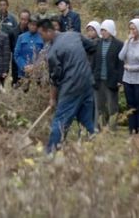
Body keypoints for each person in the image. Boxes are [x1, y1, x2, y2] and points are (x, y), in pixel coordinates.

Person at [39, 19, 97, 153]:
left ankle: (51, 152)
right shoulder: (74, 35)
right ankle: (96, 146)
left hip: (71, 86)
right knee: (86, 119)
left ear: (49, 32)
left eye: (41, 34)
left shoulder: (52, 52)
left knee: (60, 119)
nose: (40, 37)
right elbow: (93, 47)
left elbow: (54, 79)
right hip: (87, 82)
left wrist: (52, 99)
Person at [118, 19, 139, 134]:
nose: (131, 31)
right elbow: (121, 57)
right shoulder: (129, 42)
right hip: (128, 79)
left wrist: (131, 68)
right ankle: (132, 131)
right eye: (130, 28)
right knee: (130, 107)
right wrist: (127, 42)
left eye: (134, 28)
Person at [92, 19, 124, 128]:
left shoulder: (119, 44)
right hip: (98, 79)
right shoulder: (97, 43)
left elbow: (120, 64)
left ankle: (112, 128)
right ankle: (98, 128)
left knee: (112, 107)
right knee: (99, 107)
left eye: (104, 30)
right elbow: (94, 62)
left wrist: (120, 80)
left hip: (111, 80)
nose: (102, 33)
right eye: (101, 30)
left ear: (110, 30)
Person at [14, 17, 45, 83]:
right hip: (23, 72)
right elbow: (17, 54)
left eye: (35, 25)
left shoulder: (42, 37)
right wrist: (24, 66)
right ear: (28, 25)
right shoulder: (21, 37)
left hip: (38, 73)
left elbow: (44, 55)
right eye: (31, 24)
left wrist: (35, 66)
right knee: (24, 91)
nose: (33, 27)